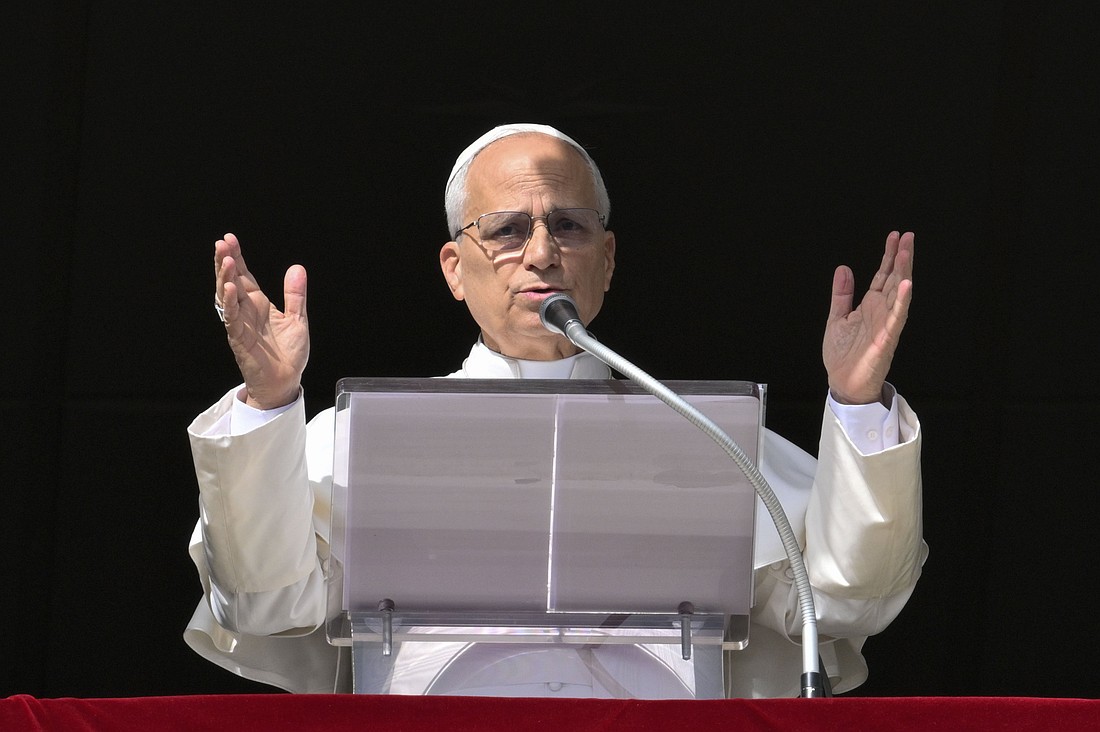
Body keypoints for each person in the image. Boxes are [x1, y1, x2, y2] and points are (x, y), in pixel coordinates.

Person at [185, 123, 925, 697]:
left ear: (606, 259)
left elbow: (843, 604)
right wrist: (270, 404)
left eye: (567, 226)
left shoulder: (705, 437)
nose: (540, 253)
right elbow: (265, 605)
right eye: (507, 229)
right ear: (454, 268)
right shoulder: (357, 439)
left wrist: (857, 406)